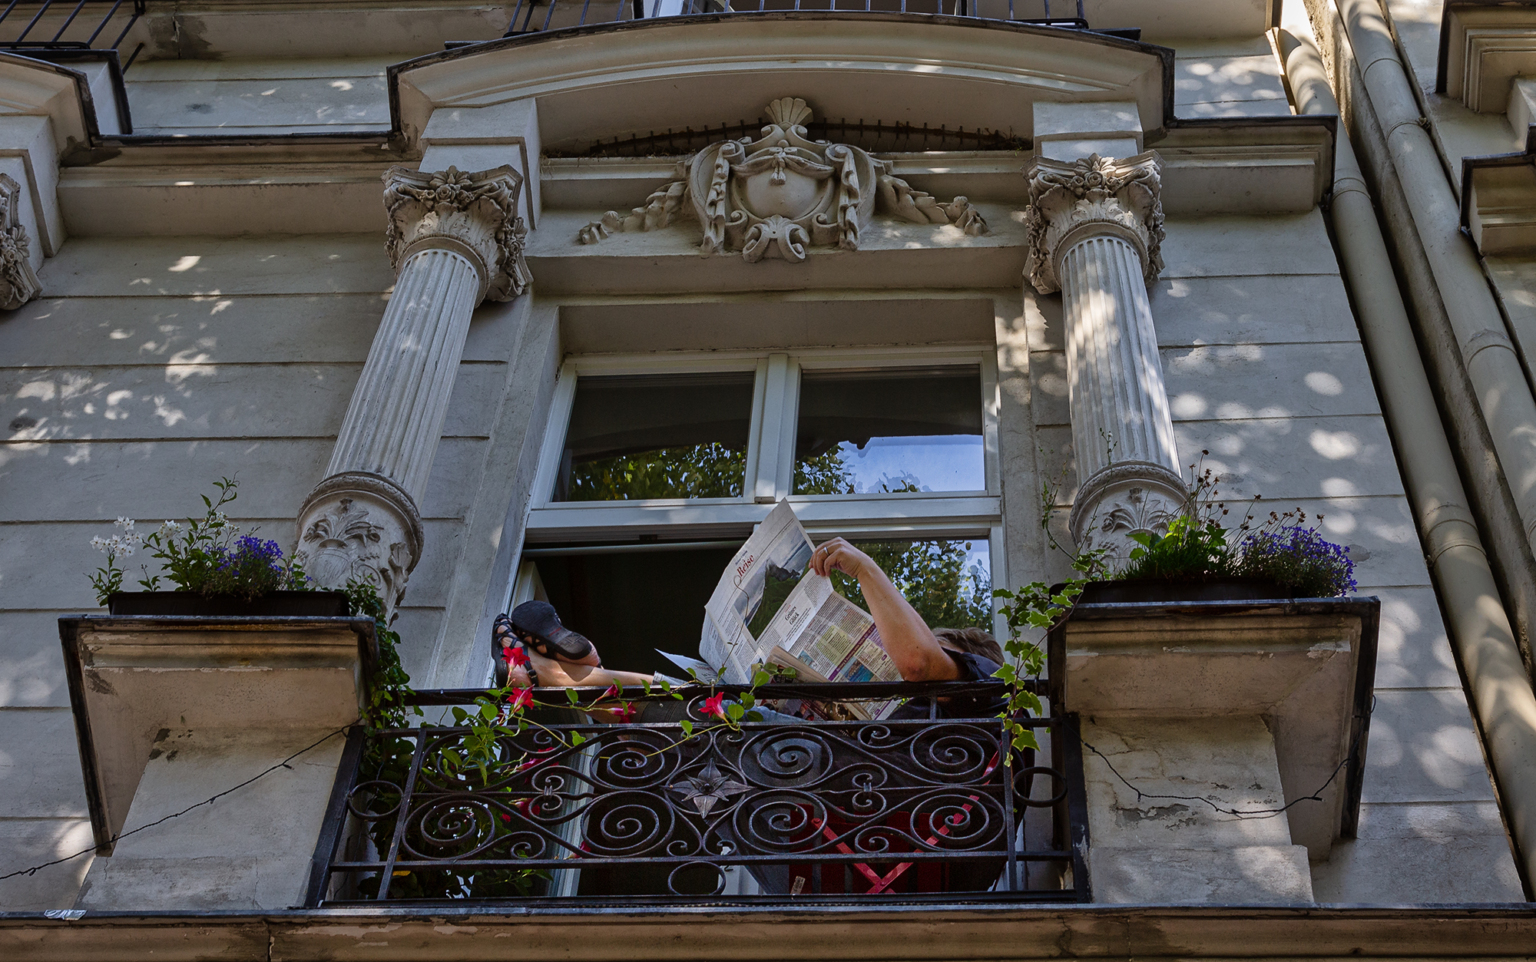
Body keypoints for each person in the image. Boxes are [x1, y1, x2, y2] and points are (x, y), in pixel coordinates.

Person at [495, 537, 1007, 720]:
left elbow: (916, 662)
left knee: (706, 710)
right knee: (696, 705)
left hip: (827, 785)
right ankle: (572, 678)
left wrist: (865, 568)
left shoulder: (972, 682)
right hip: (807, 793)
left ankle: (562, 679)